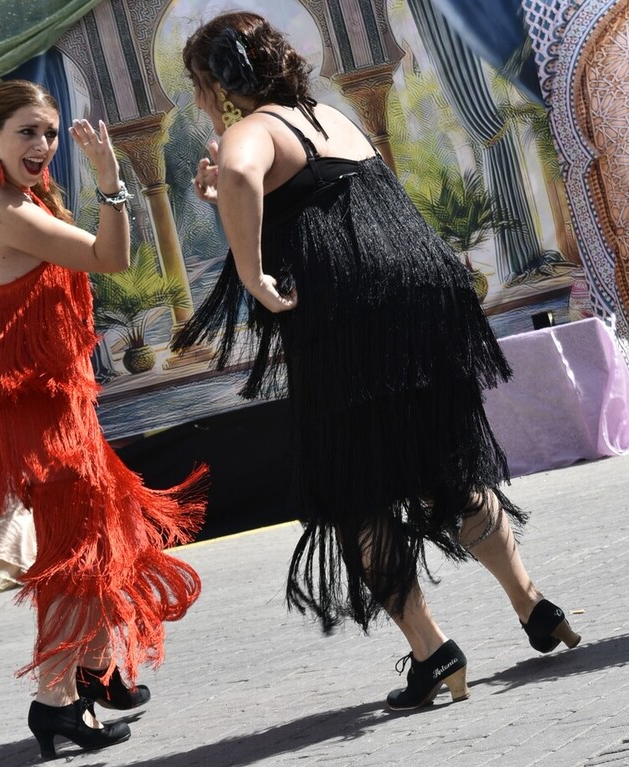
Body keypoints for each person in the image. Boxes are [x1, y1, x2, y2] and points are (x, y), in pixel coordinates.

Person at [174, 11, 580, 710]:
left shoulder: (249, 129)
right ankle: (534, 604)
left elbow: (243, 172)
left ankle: (433, 651)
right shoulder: (329, 116)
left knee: (357, 489)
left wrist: (250, 273)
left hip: (347, 313)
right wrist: (228, 203)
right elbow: (311, 200)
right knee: (447, 468)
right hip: (418, 294)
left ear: (215, 84)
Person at [0, 80, 206, 757]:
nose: (42, 145)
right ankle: (54, 703)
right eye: (27, 132)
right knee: (76, 553)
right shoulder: (8, 211)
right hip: (43, 409)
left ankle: (97, 670)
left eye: (48, 131)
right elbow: (111, 257)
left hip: (50, 394)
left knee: (96, 531)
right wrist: (111, 184)